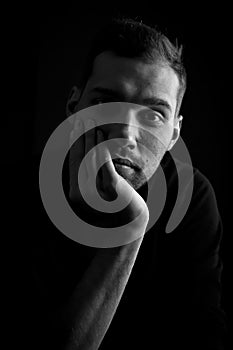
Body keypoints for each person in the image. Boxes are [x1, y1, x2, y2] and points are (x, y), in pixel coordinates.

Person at [30, 16, 227, 349]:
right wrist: (129, 228)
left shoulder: (190, 199)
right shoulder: (21, 191)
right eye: (105, 103)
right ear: (73, 106)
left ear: (174, 133)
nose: (124, 134)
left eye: (153, 115)